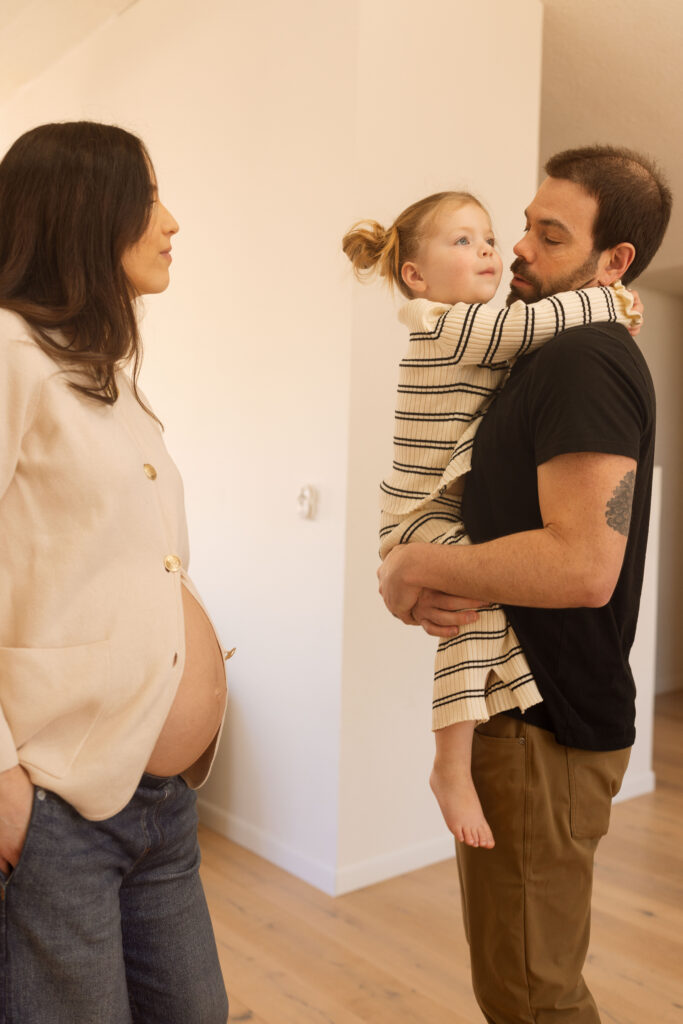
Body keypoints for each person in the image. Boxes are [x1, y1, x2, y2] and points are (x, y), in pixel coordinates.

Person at [377, 145, 672, 1022]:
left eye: (549, 235)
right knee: (524, 986)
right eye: (524, 225)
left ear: (613, 262)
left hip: (540, 725)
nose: (516, 251)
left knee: (530, 1000)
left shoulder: (583, 355)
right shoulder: (534, 354)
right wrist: (408, 578)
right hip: (524, 716)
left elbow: (582, 568)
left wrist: (411, 564)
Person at [0, 122, 230, 1024]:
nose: (170, 221)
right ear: (83, 212)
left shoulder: (106, 377)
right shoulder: (7, 356)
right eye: (148, 197)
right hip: (62, 808)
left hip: (163, 802)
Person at [342, 191, 640, 849]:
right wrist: (610, 302)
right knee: (474, 606)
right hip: (418, 515)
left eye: (486, 237)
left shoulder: (490, 336)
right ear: (415, 275)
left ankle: (454, 758)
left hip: (431, 517)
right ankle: (450, 764)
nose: (492, 250)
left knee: (474, 604)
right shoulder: (439, 323)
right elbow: (518, 330)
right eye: (462, 241)